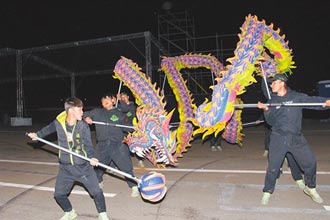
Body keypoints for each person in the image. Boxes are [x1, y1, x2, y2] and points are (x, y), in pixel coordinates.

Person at [27, 97, 110, 220]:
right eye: (80, 110)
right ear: (71, 110)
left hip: (83, 166)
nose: (82, 113)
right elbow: (48, 129)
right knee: (59, 195)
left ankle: (103, 214)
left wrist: (92, 157)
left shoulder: (83, 126)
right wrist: (37, 135)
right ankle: (70, 212)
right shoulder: (59, 122)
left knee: (96, 192)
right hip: (66, 167)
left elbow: (88, 144)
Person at [258, 74, 330, 205]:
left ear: (281, 83)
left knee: (311, 163)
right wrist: (267, 110)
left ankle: (311, 188)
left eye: (273, 83)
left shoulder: (296, 97)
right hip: (278, 138)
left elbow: (312, 102)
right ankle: (267, 192)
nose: (271, 85)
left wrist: (325, 102)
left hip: (296, 138)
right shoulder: (272, 101)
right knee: (273, 167)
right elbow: (271, 122)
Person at [84, 92, 139, 197]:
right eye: (103, 100)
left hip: (117, 145)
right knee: (97, 166)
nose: (105, 101)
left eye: (107, 99)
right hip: (102, 145)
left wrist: (134, 129)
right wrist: (86, 118)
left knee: (126, 167)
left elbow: (127, 125)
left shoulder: (119, 113)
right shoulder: (97, 112)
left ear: (113, 101)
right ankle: (99, 182)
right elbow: (84, 114)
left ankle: (134, 186)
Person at [117, 91, 145, 168]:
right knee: (121, 146)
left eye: (124, 97)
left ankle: (140, 160)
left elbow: (126, 109)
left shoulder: (132, 106)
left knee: (135, 145)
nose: (123, 99)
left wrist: (120, 100)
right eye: (121, 98)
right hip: (122, 129)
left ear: (128, 97)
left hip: (132, 128)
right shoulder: (119, 106)